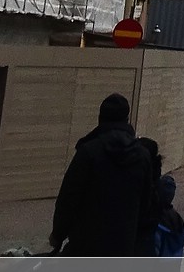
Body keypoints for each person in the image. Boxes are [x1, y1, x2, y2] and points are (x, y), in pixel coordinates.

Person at [48, 93, 159, 256]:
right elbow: (146, 202)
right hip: (123, 244)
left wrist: (58, 234)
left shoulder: (89, 151)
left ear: (101, 117)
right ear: (126, 119)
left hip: (86, 243)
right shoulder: (142, 156)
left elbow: (69, 198)